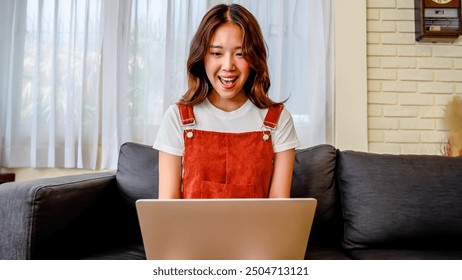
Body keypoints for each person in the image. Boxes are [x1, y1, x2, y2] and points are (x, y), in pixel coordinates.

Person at [153, 3, 299, 199]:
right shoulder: (177, 118)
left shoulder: (278, 120)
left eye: (240, 54)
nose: (228, 66)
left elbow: (279, 209)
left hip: (257, 230)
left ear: (254, 58)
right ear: (202, 57)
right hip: (192, 230)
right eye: (216, 53)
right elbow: (167, 208)